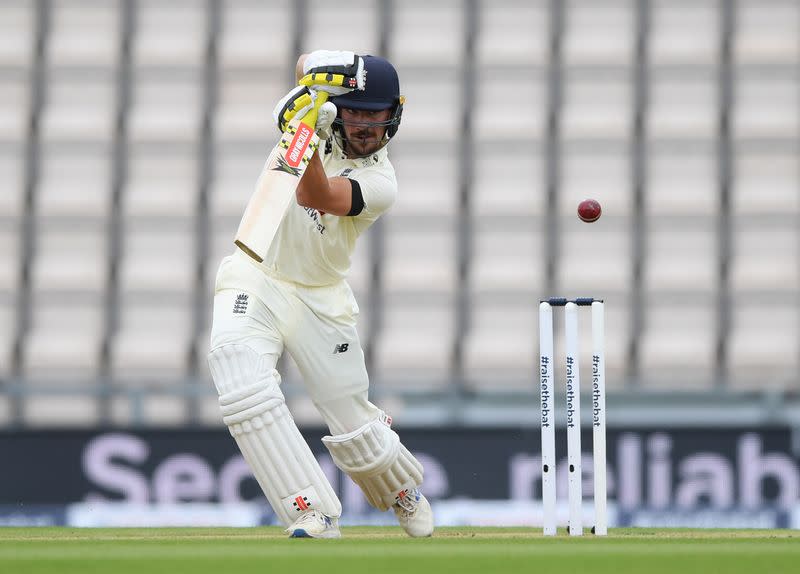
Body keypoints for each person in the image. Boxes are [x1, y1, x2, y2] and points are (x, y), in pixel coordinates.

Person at [206, 50, 434, 539]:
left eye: (376, 115)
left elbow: (315, 195)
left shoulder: (381, 182)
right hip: (256, 273)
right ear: (342, 107)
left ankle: (399, 490)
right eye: (355, 111)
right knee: (240, 380)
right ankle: (309, 510)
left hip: (320, 296)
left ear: (393, 115)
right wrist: (316, 88)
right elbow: (307, 61)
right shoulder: (318, 113)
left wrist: (296, 129)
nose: (365, 125)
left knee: (353, 422)